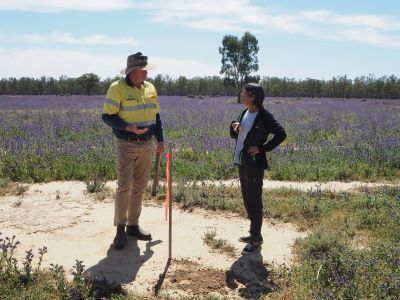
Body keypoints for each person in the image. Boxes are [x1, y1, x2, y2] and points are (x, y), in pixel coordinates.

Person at [102, 52, 164, 250]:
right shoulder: (117, 88)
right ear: (133, 71)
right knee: (124, 187)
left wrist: (160, 140)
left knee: (139, 186)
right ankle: (120, 229)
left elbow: (157, 116)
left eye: (146, 69)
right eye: (144, 70)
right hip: (126, 144)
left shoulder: (150, 88)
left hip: (146, 145)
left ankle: (133, 225)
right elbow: (107, 117)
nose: (147, 73)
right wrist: (127, 127)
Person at [230, 83, 286, 255]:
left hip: (254, 163)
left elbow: (281, 134)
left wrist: (261, 148)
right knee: (247, 199)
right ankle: (254, 234)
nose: (242, 94)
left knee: (254, 200)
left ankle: (255, 238)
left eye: (245, 93)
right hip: (241, 161)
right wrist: (234, 126)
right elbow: (236, 132)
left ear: (253, 96)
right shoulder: (245, 112)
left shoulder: (264, 116)